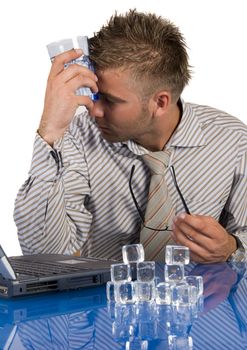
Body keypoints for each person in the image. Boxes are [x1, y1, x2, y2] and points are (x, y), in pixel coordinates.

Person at [14, 9, 247, 263]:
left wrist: (232, 248)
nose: (94, 110)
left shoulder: (232, 140)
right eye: (94, 94)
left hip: (200, 299)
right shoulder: (77, 136)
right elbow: (44, 255)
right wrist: (50, 131)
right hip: (106, 299)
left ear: (160, 102)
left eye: (110, 101)